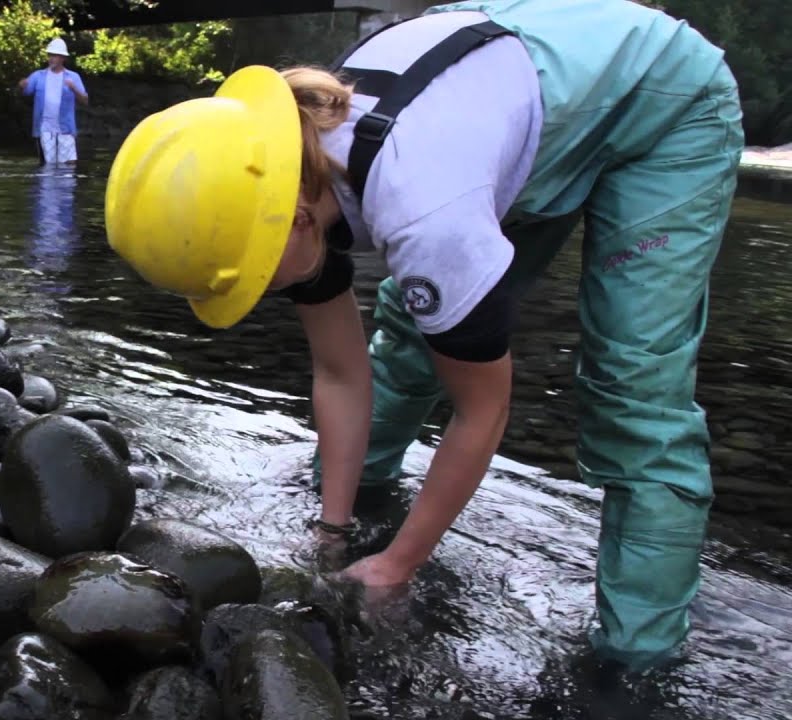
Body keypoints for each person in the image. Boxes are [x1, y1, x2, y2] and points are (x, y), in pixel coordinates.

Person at [104, 0, 744, 672]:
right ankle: (366, 498)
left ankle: (634, 662)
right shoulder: (287, 163)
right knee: (415, 335)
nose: (262, 290)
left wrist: (399, 564)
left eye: (257, 277)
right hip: (502, 116)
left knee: (631, 389)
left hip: (658, 100)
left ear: (294, 222)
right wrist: (331, 531)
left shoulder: (423, 209)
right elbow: (340, 372)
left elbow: (483, 409)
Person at [18, 38, 89, 165]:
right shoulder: (38, 75)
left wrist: (73, 88)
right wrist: (22, 86)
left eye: (55, 55)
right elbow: (25, 92)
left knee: (69, 165)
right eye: (50, 55)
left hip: (66, 128)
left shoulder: (73, 77)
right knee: (48, 166)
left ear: (63, 58)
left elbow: (85, 100)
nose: (51, 58)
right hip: (44, 128)